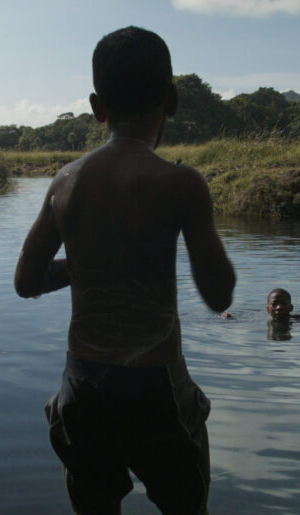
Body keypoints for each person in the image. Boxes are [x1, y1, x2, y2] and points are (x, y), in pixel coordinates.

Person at [14, 26, 235, 515]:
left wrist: (81, 267)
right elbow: (220, 295)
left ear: (97, 107)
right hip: (158, 386)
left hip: (84, 386)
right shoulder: (182, 184)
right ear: (171, 100)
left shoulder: (65, 182)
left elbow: (26, 282)